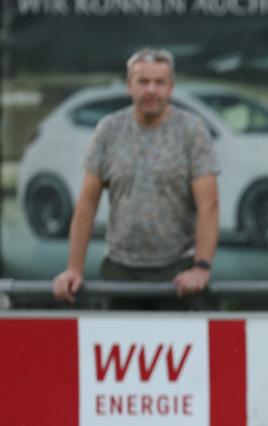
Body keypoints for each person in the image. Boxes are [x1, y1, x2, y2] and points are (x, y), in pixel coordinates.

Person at [52, 48, 219, 309]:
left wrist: (201, 267)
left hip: (177, 273)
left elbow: (209, 206)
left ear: (170, 88)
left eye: (159, 82)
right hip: (120, 272)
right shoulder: (108, 130)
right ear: (129, 86)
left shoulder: (191, 131)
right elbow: (86, 205)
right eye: (143, 81)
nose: (151, 89)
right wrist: (74, 269)